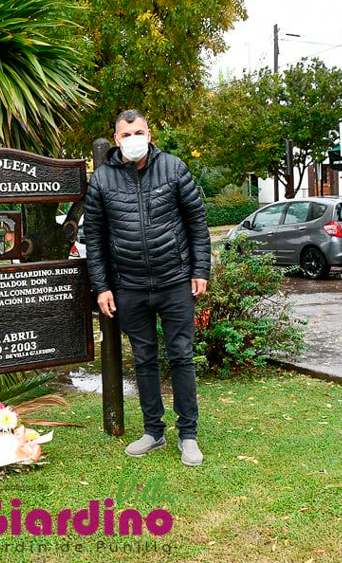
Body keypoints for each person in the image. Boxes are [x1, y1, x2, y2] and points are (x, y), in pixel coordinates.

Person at [84, 109, 211, 467]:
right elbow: (93, 237)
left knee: (181, 356)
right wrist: (102, 286)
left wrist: (200, 268)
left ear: (150, 134)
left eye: (138, 131)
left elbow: (196, 223)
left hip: (174, 282)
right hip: (130, 286)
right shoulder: (103, 180)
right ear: (117, 139)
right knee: (143, 359)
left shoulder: (173, 168)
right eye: (126, 134)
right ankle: (153, 431)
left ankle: (189, 435)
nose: (133, 139)